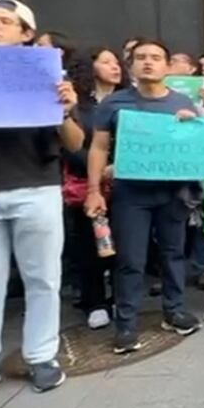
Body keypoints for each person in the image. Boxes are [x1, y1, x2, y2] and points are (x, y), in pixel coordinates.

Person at [0, 0, 80, 405]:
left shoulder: (46, 77)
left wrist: (65, 111)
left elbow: (76, 144)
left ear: (26, 34)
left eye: (4, 21)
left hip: (35, 188)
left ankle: (42, 356)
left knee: (43, 278)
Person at [85, 38, 204, 354]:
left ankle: (175, 310)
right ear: (131, 66)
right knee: (130, 260)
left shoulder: (182, 102)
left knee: (173, 253)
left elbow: (195, 147)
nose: (148, 62)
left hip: (172, 193)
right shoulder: (114, 103)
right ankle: (125, 325)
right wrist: (94, 189)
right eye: (141, 57)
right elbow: (98, 147)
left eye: (155, 57)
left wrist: (192, 126)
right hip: (131, 195)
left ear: (167, 66)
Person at [62, 47, 128, 330]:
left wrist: (118, 167)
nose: (115, 67)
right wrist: (97, 171)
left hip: (123, 185)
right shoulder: (80, 106)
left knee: (124, 245)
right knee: (91, 245)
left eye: (117, 62)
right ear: (91, 68)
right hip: (87, 186)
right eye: (106, 62)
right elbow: (73, 146)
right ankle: (96, 302)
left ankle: (119, 296)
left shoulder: (129, 102)